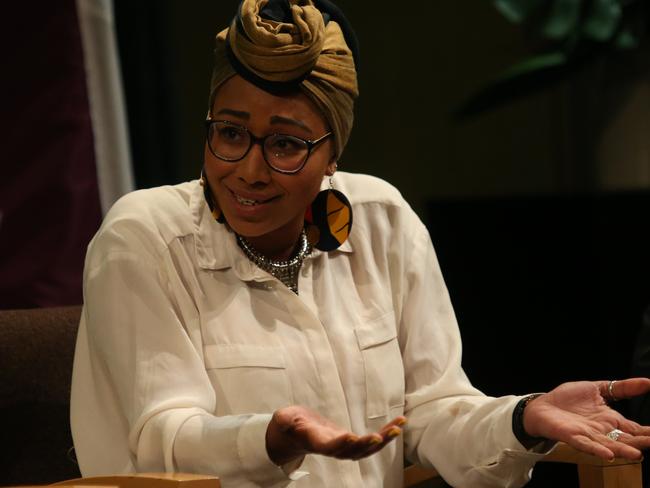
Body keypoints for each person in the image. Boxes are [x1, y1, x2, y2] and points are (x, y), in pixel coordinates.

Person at [70, 1, 650, 486]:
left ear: (333, 154)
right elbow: (158, 441)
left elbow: (431, 412)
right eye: (229, 133)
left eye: (286, 144)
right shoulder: (144, 238)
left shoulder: (380, 220)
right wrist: (269, 437)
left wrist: (522, 419)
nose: (249, 169)